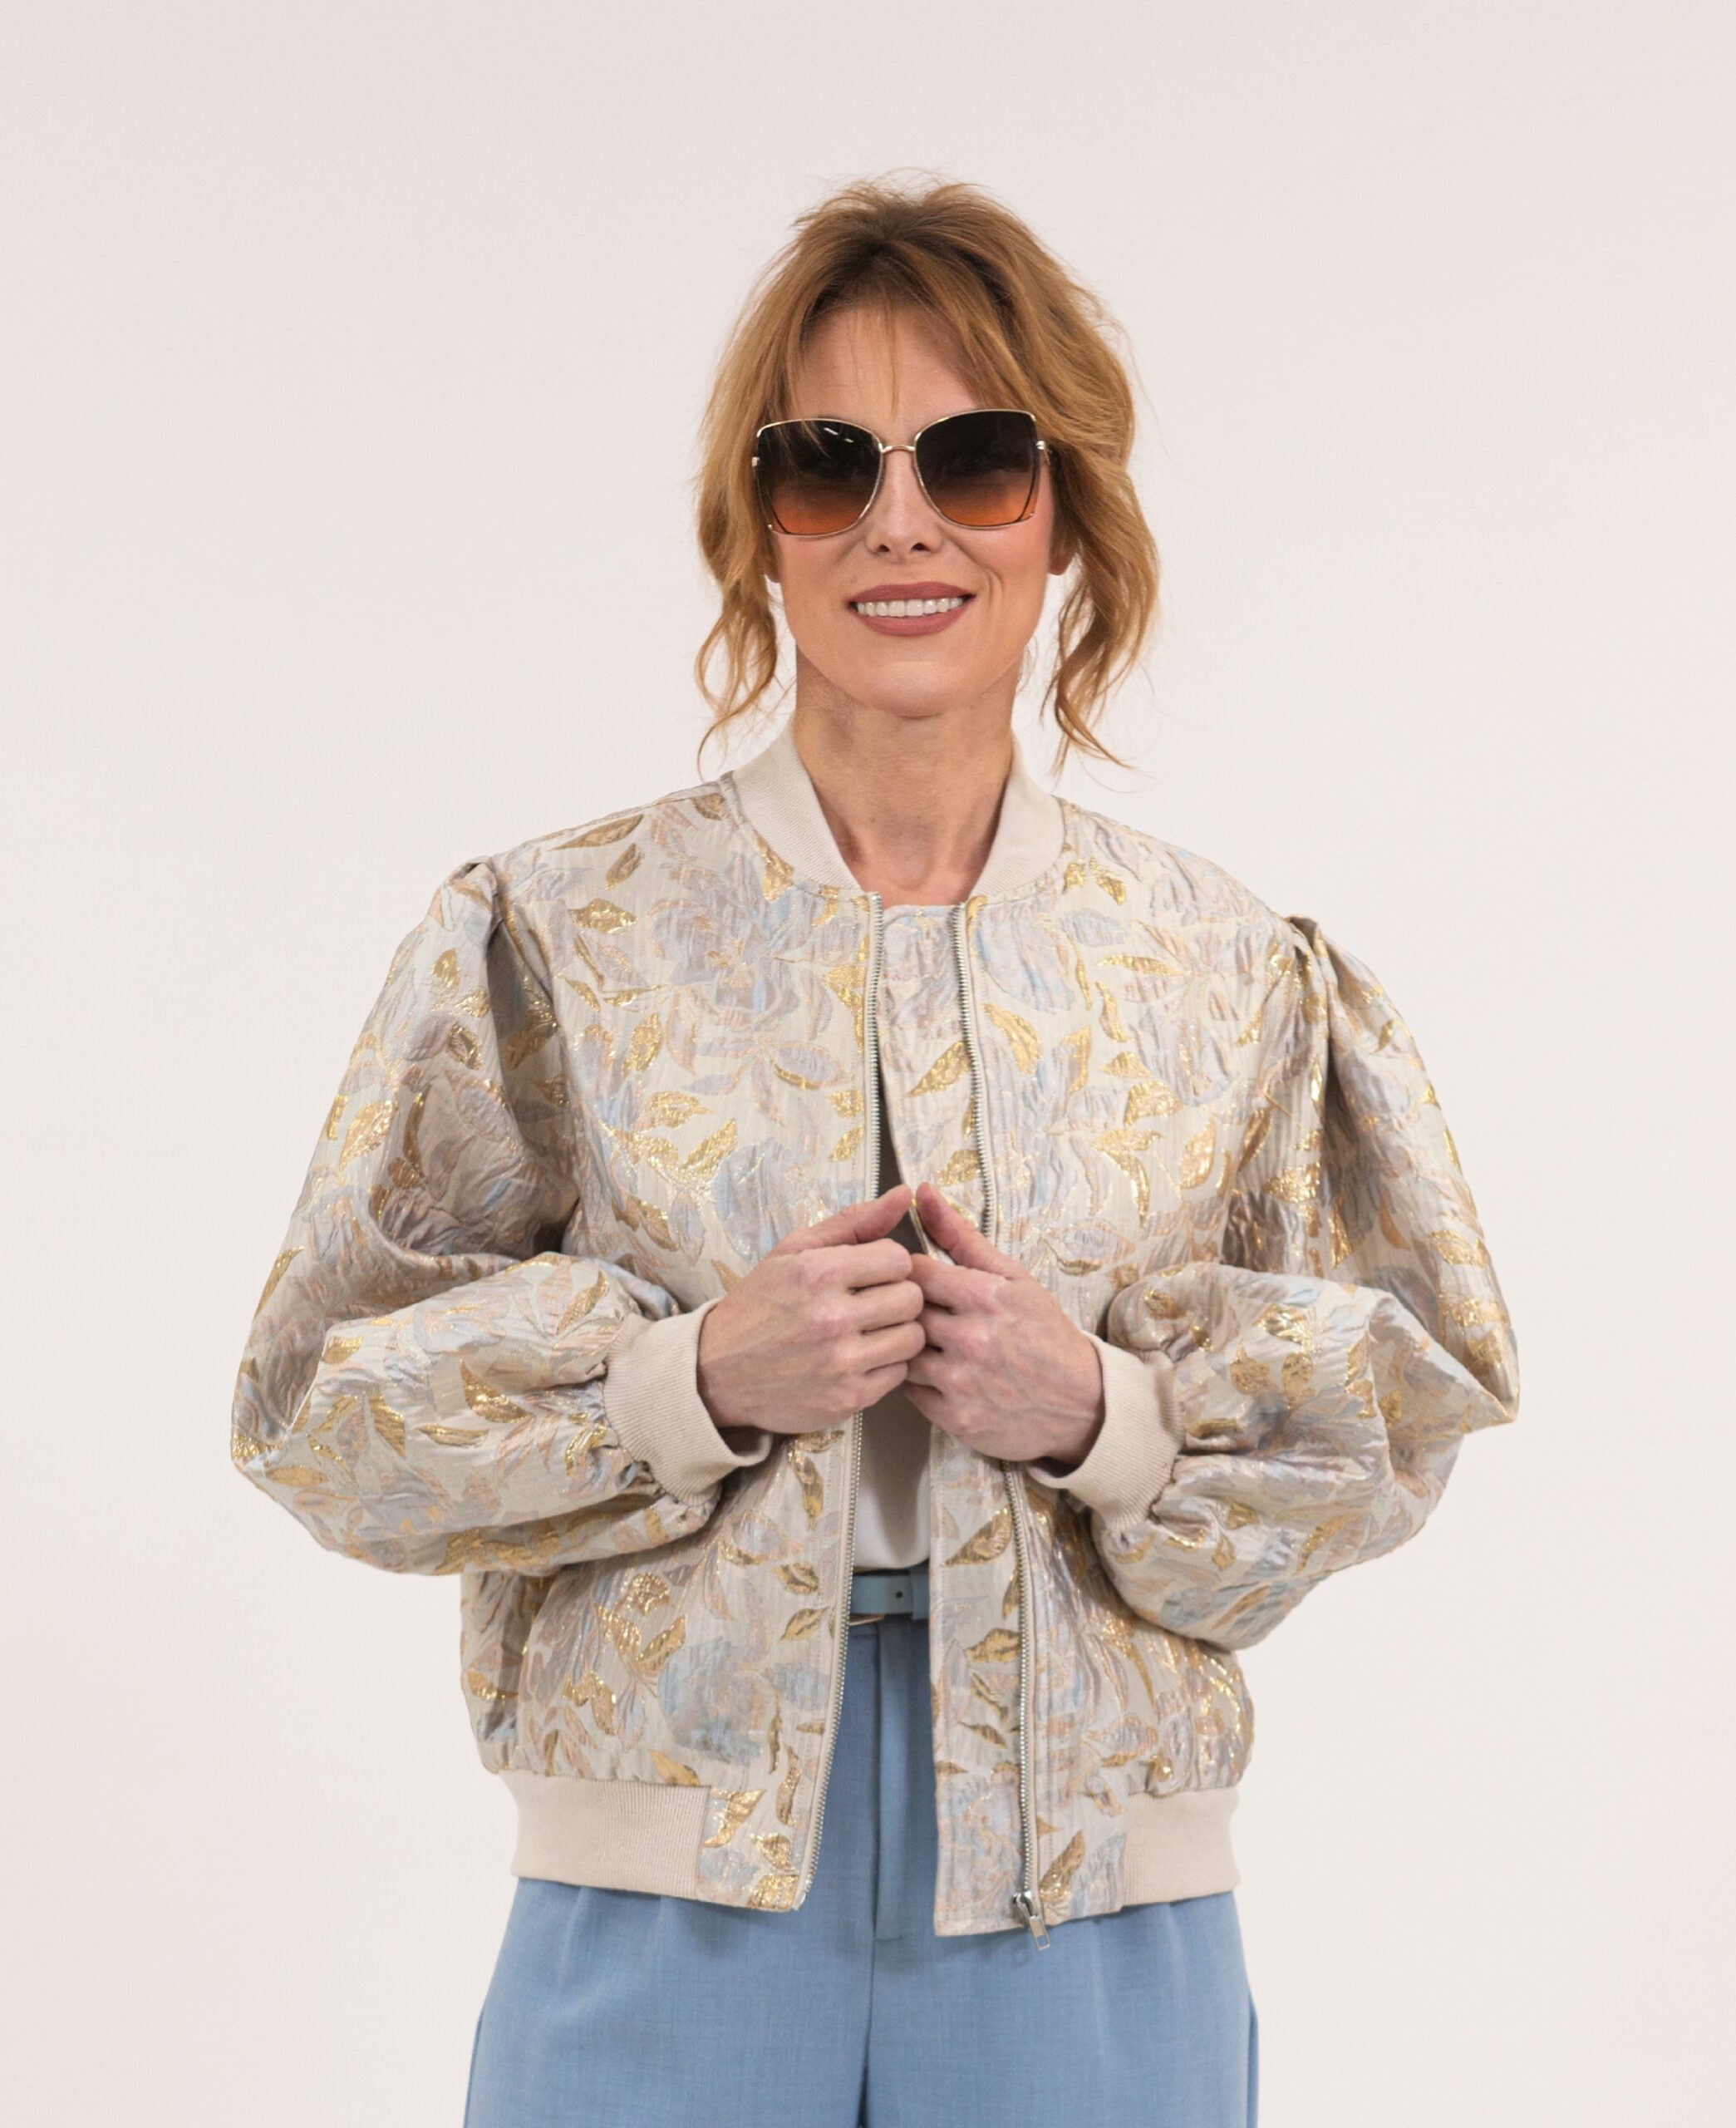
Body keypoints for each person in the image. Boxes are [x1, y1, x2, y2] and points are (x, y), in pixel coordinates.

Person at [232, 175, 1520, 2128]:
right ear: (758, 525)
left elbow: (1396, 1418)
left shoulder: (1220, 966)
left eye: (976, 458)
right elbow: (319, 1411)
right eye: (827, 464)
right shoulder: (559, 933)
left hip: (1086, 1887)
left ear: (1063, 511)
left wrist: (1104, 1411)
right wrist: (688, 1376)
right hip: (662, 1885)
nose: (900, 522)